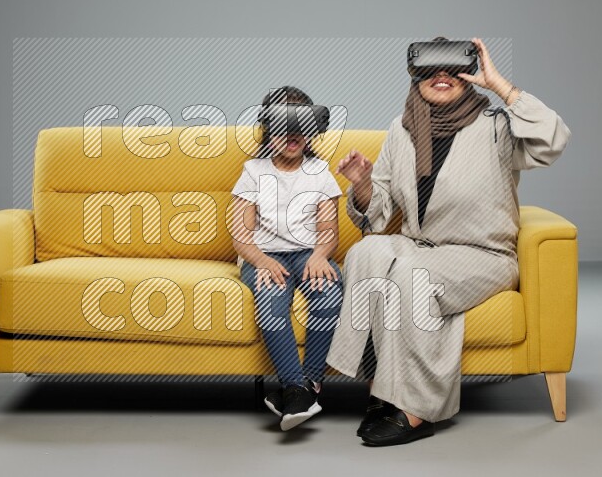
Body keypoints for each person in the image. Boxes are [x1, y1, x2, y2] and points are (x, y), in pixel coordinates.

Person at [326, 37, 572, 446]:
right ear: (414, 77)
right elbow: (381, 212)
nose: (441, 77)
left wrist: (500, 85)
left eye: (452, 69)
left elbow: (554, 140)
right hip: (421, 245)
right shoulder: (401, 130)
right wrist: (364, 184)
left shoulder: (497, 126)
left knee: (410, 275)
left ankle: (418, 408)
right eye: (429, 69)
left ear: (468, 77)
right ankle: (379, 388)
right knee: (365, 252)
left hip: (482, 255)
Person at [230, 86, 344, 431]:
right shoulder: (253, 171)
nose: (292, 134)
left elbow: (329, 231)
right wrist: (261, 261)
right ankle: (293, 386)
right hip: (263, 255)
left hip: (308, 253)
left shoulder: (320, 173)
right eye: (283, 124)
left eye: (300, 125)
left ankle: (307, 386)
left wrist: (321, 255)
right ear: (269, 127)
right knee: (271, 296)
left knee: (330, 291)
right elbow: (240, 236)